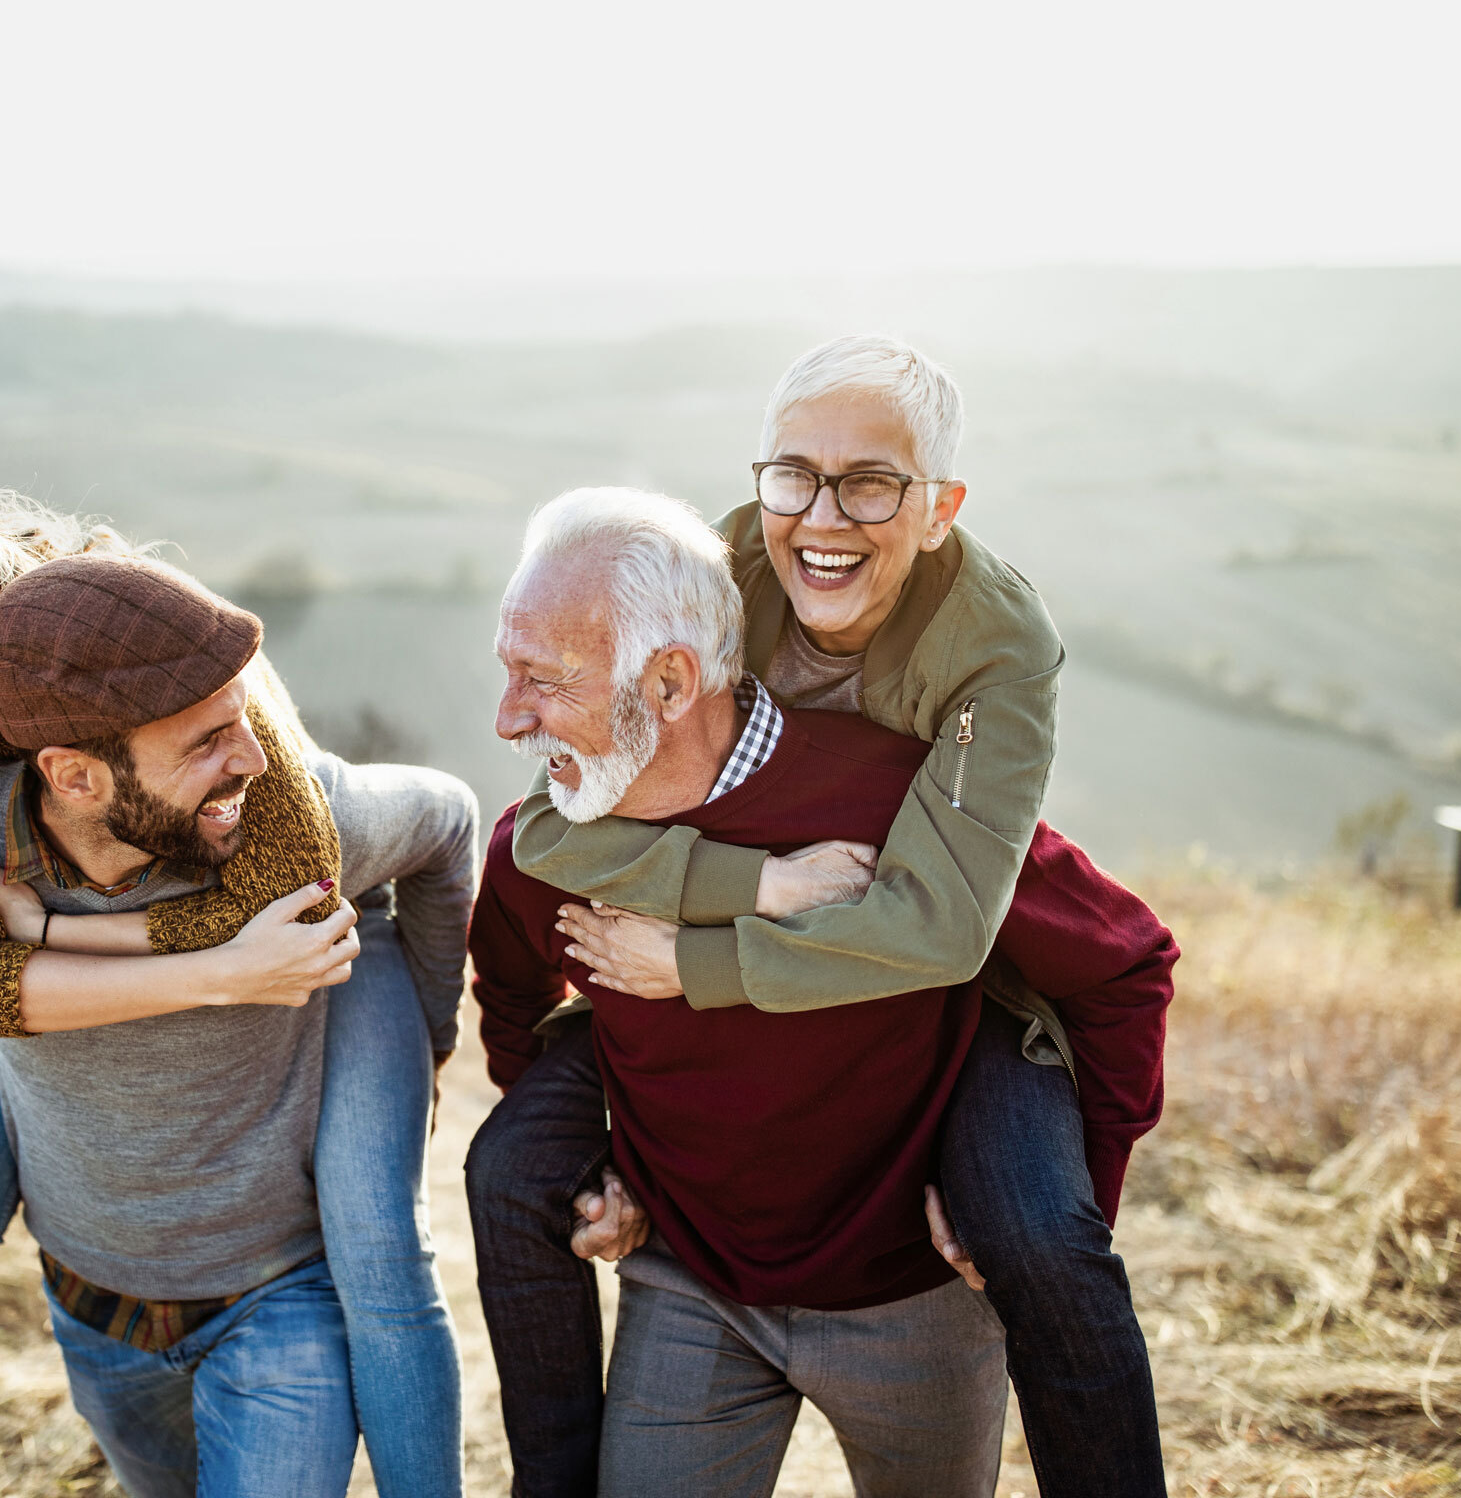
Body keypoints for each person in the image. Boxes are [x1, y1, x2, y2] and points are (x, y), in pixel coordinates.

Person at [467, 366, 1176, 1494]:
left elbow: (1077, 953)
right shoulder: (709, 581)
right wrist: (602, 1141)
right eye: (795, 479)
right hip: (695, 1275)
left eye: (871, 487)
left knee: (1041, 1239)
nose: (822, 518)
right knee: (507, 1171)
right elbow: (530, 885)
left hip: (904, 1259)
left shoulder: (933, 752)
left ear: (939, 507)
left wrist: (1062, 1202)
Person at [0, 440, 470, 1498]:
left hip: (306, 928)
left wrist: (52, 936)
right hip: (139, 953)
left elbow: (283, 887)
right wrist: (128, 952)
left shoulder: (116, 631)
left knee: (377, 1241)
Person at [0, 553, 476, 1497]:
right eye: (206, 742)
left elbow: (450, 817)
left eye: (247, 717)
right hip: (90, 1302)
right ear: (72, 776)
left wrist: (430, 1035)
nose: (256, 760)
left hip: (282, 1297)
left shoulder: (306, 830)